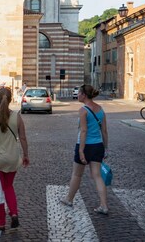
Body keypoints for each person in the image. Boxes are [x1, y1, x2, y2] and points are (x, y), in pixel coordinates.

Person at [0, 86, 29, 231]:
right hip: (13, 158)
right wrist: (26, 155)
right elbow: (23, 138)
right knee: (8, 187)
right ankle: (14, 213)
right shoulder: (17, 116)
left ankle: (0, 222)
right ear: (10, 99)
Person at [61, 84, 109, 215]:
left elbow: (83, 131)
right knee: (97, 176)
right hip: (98, 145)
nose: (77, 95)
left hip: (84, 145)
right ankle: (104, 205)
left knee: (77, 174)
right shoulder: (100, 109)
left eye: (79, 93)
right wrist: (106, 148)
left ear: (84, 95)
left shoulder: (83, 110)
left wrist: (81, 151)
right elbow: (104, 131)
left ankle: (69, 199)